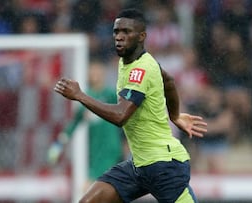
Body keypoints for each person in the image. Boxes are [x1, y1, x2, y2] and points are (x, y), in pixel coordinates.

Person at [54, 8, 207, 203]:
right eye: (116, 31)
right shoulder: (130, 61)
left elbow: (120, 116)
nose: (119, 37)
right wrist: (175, 116)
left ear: (142, 36)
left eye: (126, 32)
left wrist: (80, 95)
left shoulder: (141, 68)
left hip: (164, 166)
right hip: (140, 166)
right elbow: (168, 81)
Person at [47, 60, 123, 184]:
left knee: (94, 186)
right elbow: (74, 124)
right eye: (92, 71)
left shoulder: (111, 94)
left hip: (111, 147)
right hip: (94, 150)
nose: (95, 74)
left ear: (103, 73)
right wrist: (58, 146)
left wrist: (126, 141)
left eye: (98, 71)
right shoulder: (85, 97)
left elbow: (124, 115)